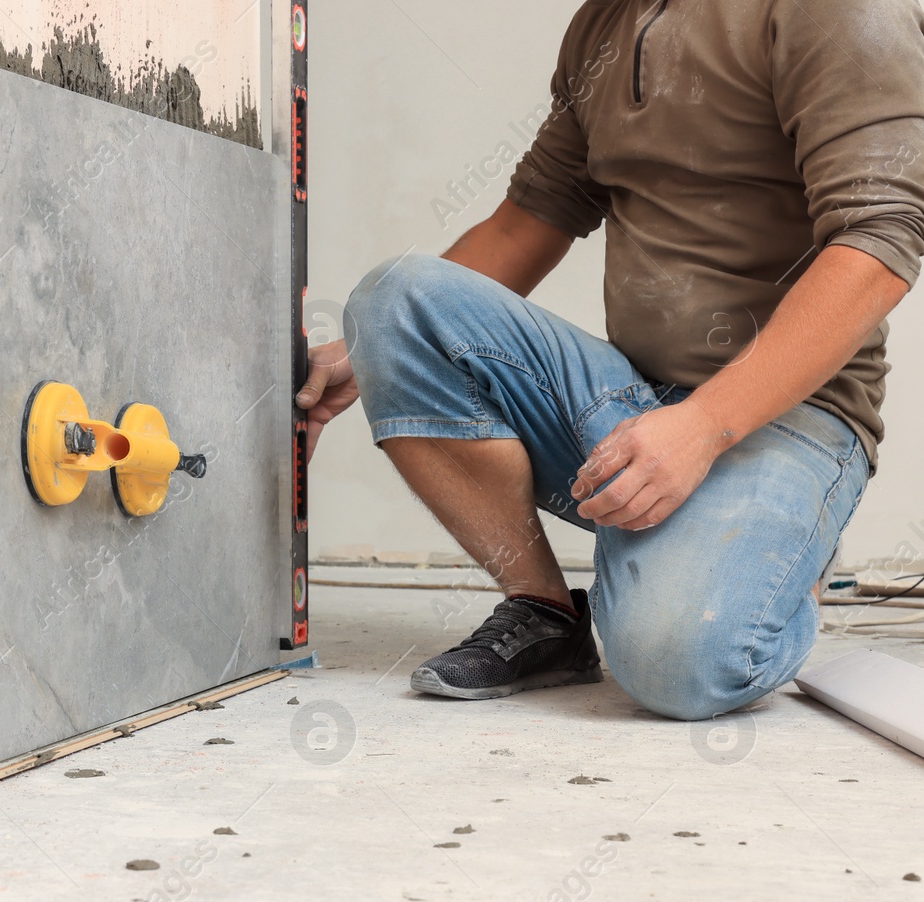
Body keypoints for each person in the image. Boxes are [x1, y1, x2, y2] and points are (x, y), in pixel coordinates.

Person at [298, 0, 924, 720]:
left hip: (787, 421)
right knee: (391, 299)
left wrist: (703, 426)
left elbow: (878, 244)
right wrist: (375, 345)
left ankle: (784, 569)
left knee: (677, 664)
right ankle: (545, 612)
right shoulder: (605, 24)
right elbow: (528, 221)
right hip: (629, 404)